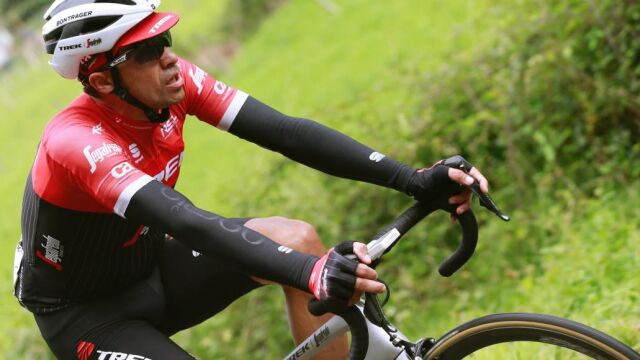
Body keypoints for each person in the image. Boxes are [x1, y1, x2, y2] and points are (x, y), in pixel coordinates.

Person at [13, 1, 490, 359]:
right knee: (307, 263)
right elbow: (186, 221)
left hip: (150, 268)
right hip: (88, 316)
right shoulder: (73, 143)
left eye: (166, 42)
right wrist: (313, 273)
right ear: (101, 82)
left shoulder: (171, 88)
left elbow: (286, 133)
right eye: (147, 51)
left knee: (298, 239)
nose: (169, 59)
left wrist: (412, 178)